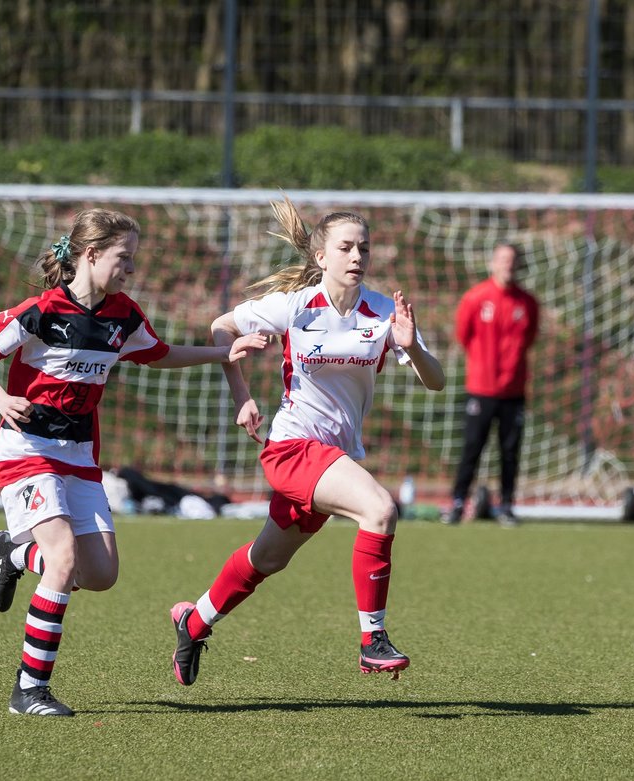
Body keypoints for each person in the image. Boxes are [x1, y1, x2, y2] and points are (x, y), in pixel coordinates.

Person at [0, 208, 267, 716]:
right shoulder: (40, 311)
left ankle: (13, 554)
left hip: (79, 456)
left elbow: (159, 353)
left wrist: (223, 354)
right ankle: (30, 690)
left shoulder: (123, 315)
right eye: (124, 258)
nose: (131, 268)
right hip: (27, 450)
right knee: (61, 561)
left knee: (100, 573)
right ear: (91, 254)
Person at [167, 196, 445, 686]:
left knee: (266, 559)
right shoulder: (295, 305)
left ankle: (194, 622)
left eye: (364, 247)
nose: (357, 256)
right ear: (321, 257)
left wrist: (410, 347)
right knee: (380, 509)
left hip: (335, 458)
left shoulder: (383, 312)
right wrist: (242, 393)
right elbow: (223, 326)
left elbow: (437, 380)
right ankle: (372, 641)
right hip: (292, 448)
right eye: (346, 248)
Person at [444, 242, 540, 527]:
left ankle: (507, 505)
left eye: (512, 260)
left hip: (514, 390)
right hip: (481, 389)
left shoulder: (528, 303)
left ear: (518, 264)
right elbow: (463, 335)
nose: (507, 265)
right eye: (502, 259)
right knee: (472, 448)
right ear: (493, 263)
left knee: (510, 452)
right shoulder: (475, 298)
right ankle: (458, 503)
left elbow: (530, 338)